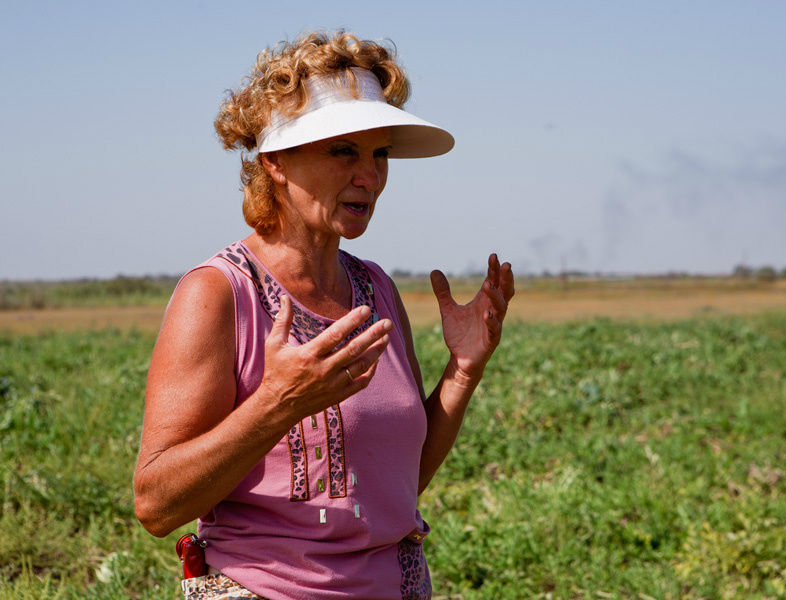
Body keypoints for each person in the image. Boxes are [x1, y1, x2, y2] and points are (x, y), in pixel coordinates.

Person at [133, 31, 514, 600]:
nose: (371, 176)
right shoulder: (218, 294)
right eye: (343, 152)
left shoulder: (374, 288)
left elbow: (399, 486)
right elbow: (156, 505)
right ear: (276, 162)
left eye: (378, 153)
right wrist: (275, 404)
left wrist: (462, 372)